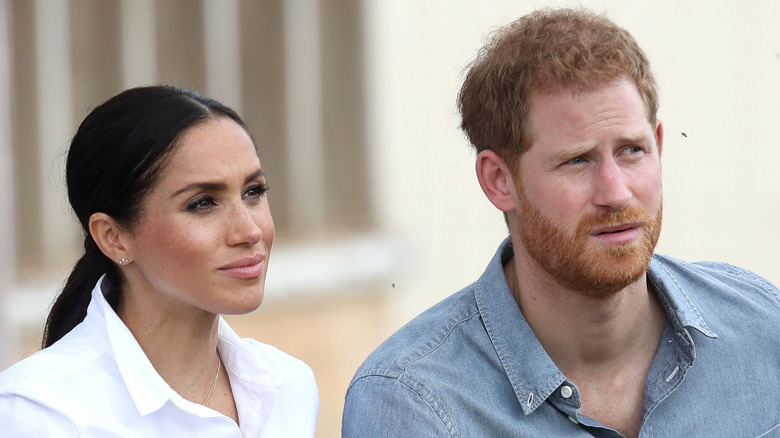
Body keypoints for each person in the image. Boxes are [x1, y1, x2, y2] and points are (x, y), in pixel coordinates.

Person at [343, 8, 780, 437]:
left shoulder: (763, 327)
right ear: (499, 181)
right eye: (577, 160)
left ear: (660, 144)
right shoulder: (415, 404)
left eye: (632, 150)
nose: (616, 193)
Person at [0, 85, 319, 436]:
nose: (249, 231)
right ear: (112, 236)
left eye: (253, 192)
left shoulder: (288, 387)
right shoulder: (41, 413)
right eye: (202, 203)